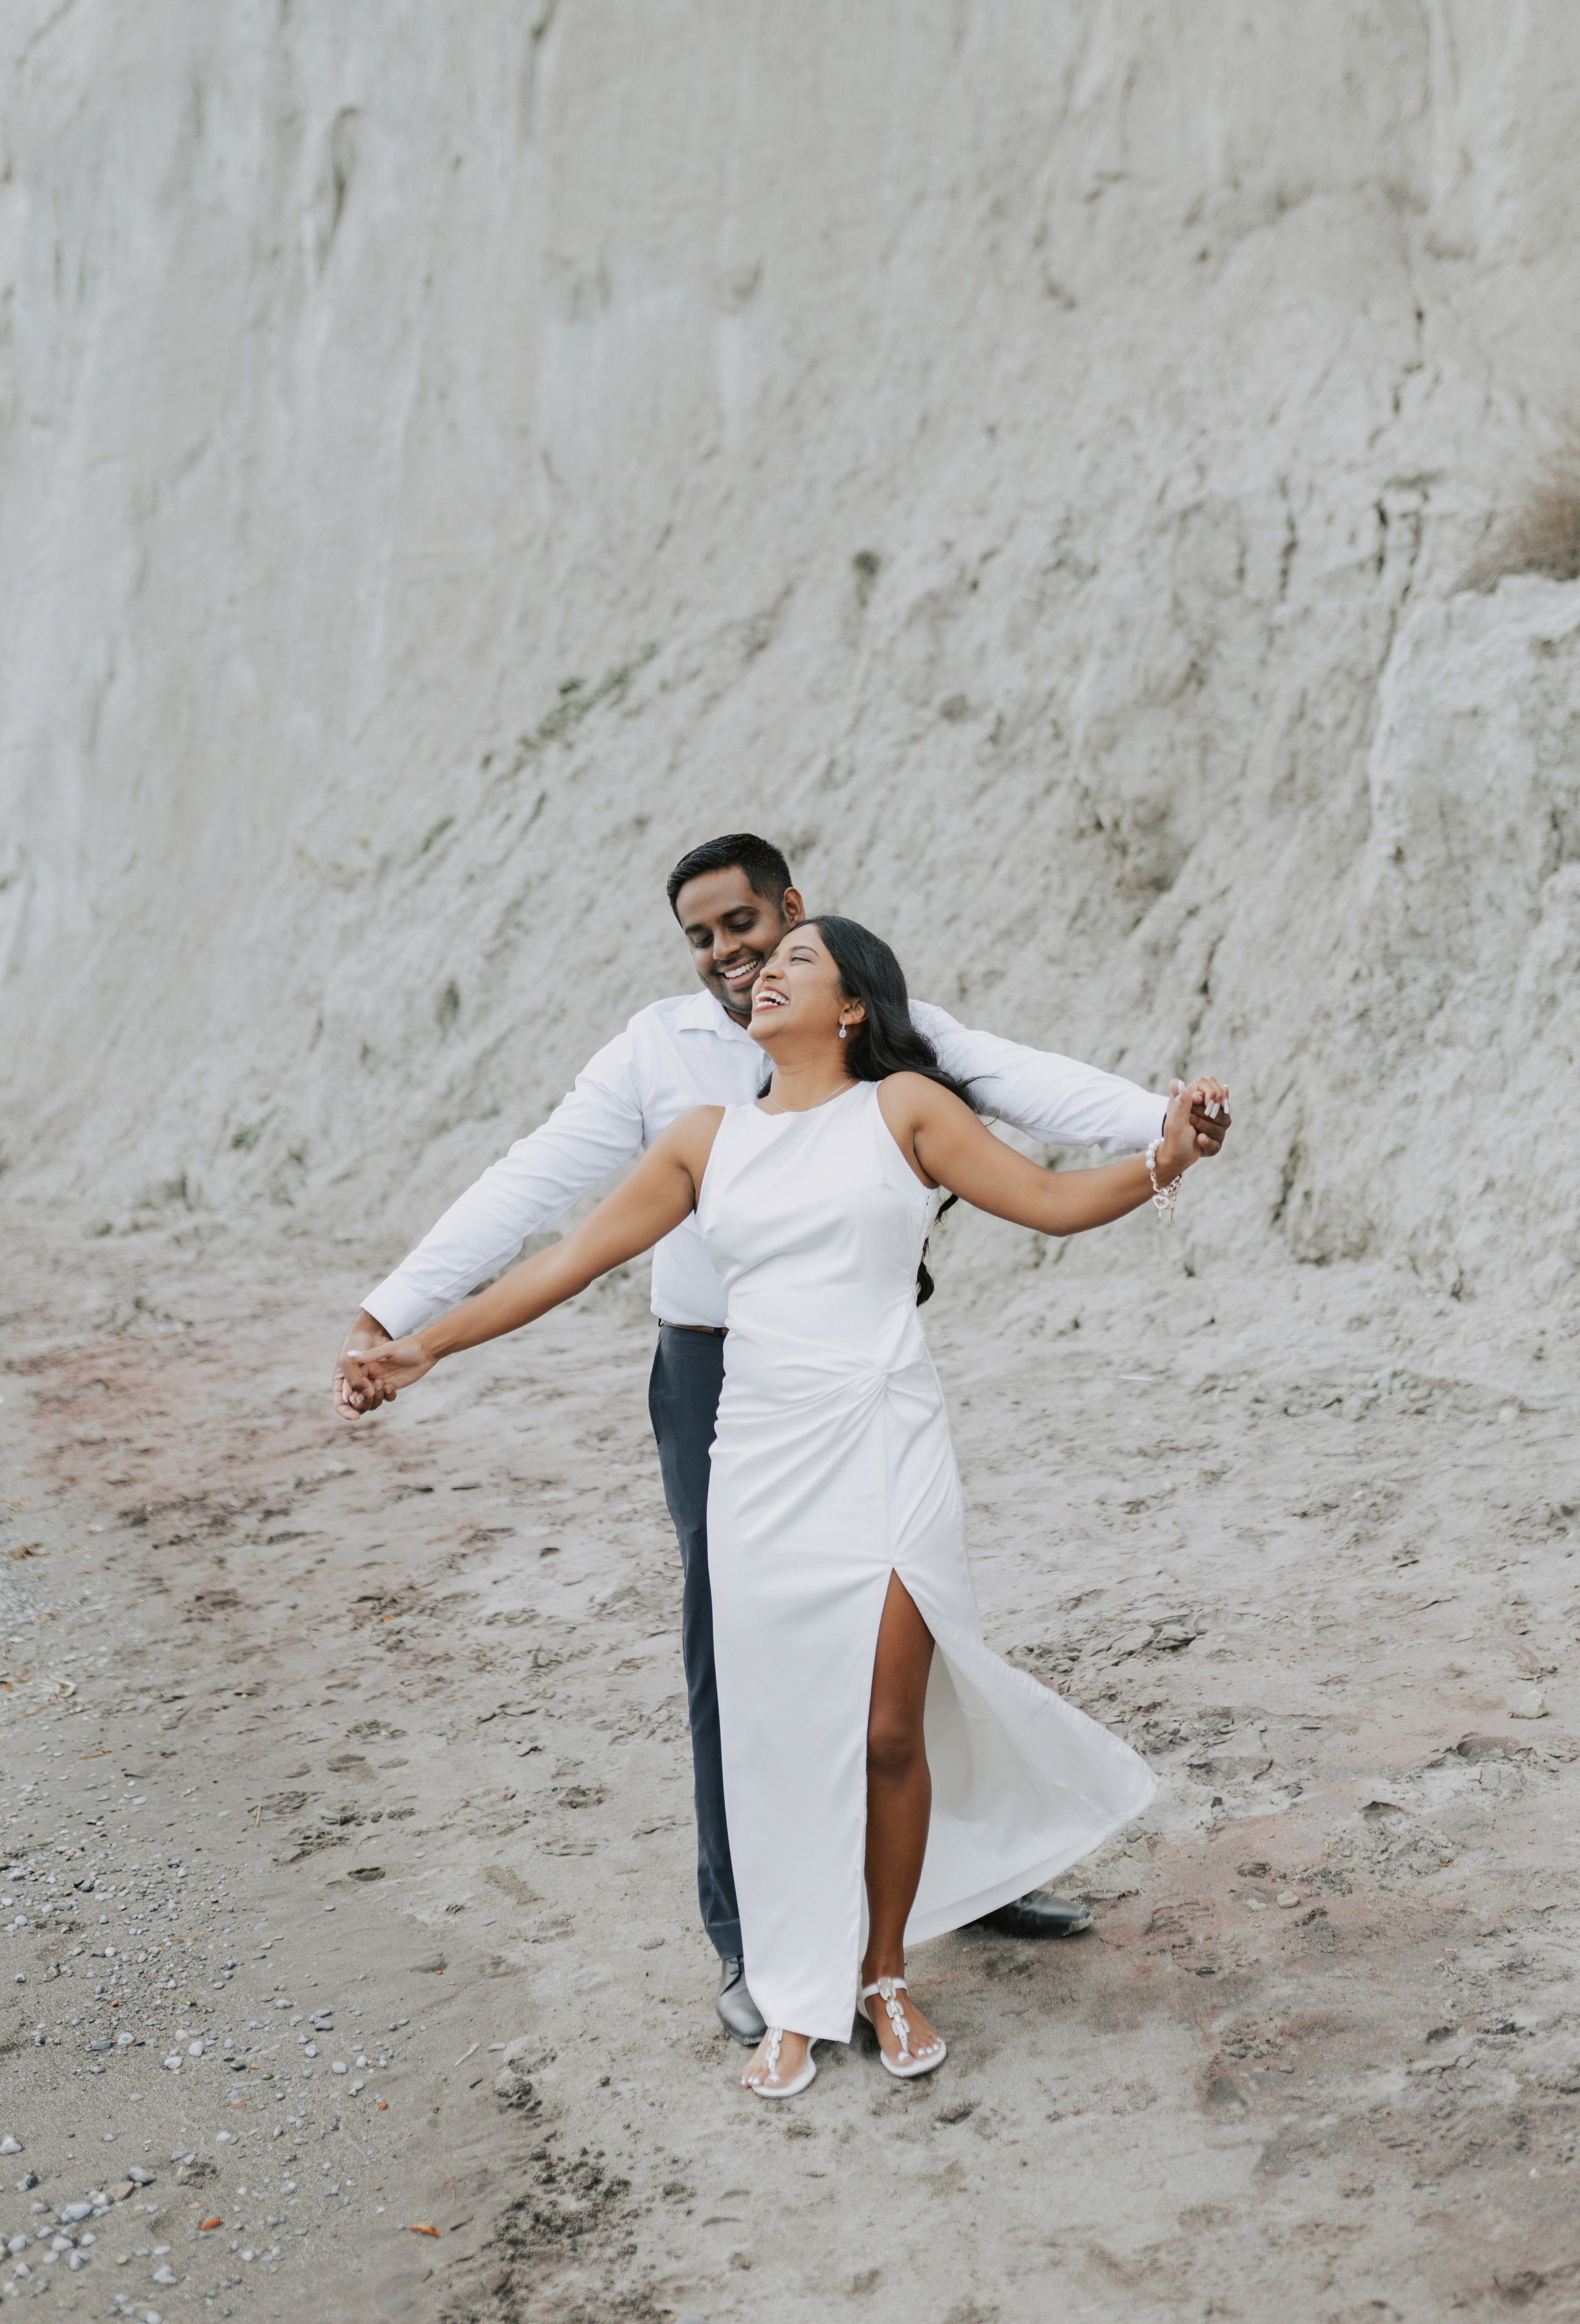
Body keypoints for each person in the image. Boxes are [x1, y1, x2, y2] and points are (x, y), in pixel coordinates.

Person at [334, 834, 1231, 2044]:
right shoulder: (664, 1060)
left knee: (907, 1645)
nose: (725, 953)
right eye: (699, 937)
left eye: (742, 925)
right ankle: (747, 1937)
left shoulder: (876, 1038)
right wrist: (403, 1314)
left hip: (865, 1377)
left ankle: (966, 1878)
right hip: (719, 1377)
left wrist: (1159, 1123)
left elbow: (1019, 1086)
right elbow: (539, 1190)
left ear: (792, 911)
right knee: (735, 1657)